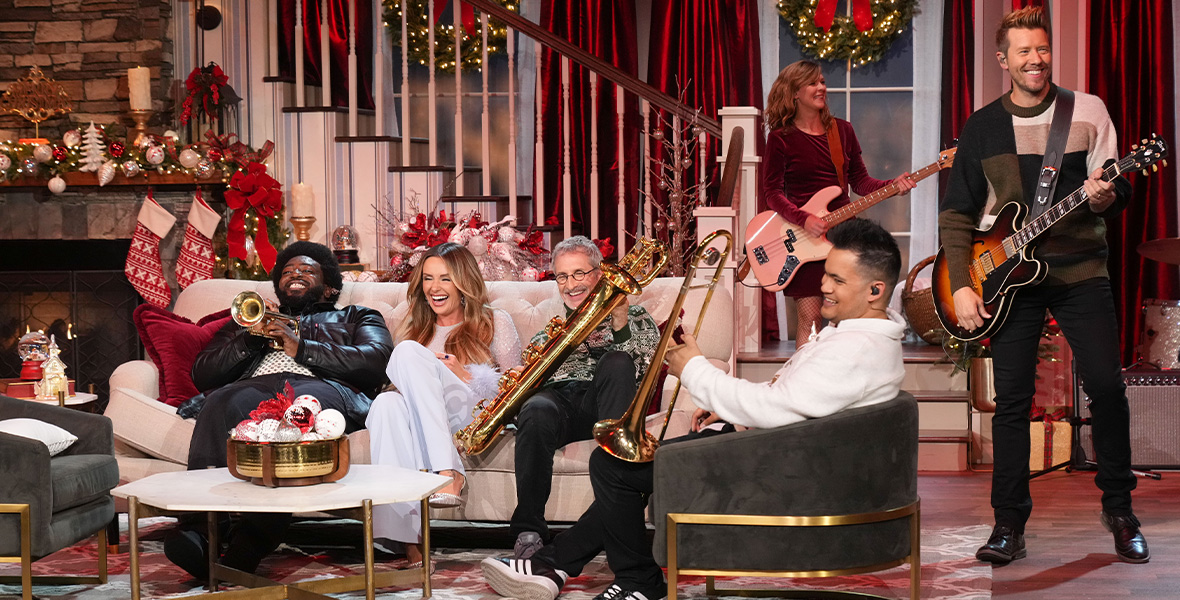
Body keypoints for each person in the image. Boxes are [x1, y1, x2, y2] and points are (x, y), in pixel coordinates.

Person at [480, 218, 907, 600]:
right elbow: (795, 399)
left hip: (774, 461)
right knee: (621, 468)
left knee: (613, 470)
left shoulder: (855, 347)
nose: (823, 287)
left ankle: (621, 577)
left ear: (875, 290)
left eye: (836, 280)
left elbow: (780, 408)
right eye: (827, 275)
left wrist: (696, 370)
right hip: (770, 445)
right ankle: (558, 566)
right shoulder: (855, 337)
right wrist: (732, 413)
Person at [939, 6, 1146, 566]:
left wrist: (1109, 194)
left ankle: (1121, 510)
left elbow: (1114, 188)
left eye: (1043, 48)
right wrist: (962, 284)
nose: (1036, 59)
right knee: (1012, 405)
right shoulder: (981, 125)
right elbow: (958, 213)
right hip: (1009, 280)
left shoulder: (1087, 111)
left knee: (1105, 387)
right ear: (1003, 59)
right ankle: (1008, 524)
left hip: (1081, 271)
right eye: (1023, 51)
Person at [165, 241, 394, 580]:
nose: (294, 274)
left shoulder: (355, 316)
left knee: (291, 415)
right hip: (252, 386)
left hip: (319, 386)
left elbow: (376, 360)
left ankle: (250, 545)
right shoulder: (250, 319)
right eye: (287, 272)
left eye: (306, 270)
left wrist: (302, 347)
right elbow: (202, 373)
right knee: (220, 402)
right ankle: (199, 534)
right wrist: (249, 339)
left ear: (329, 286)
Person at [366, 242, 522, 566]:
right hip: (426, 421)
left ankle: (449, 471)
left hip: (471, 414)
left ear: (464, 282)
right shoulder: (413, 327)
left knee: (408, 352)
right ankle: (411, 543)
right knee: (385, 406)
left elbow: (514, 393)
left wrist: (463, 374)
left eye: (445, 278)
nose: (434, 288)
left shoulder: (495, 322)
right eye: (427, 278)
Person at [509, 236, 661, 560]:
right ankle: (529, 531)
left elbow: (647, 368)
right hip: (560, 404)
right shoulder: (546, 334)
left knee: (618, 361)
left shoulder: (637, 318)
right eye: (562, 276)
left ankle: (614, 514)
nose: (570, 284)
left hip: (606, 403)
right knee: (535, 408)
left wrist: (620, 327)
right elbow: (527, 393)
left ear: (598, 274)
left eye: (579, 273)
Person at [761, 59, 914, 347]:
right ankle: (805, 386)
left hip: (843, 237)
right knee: (811, 320)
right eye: (813, 83)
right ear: (794, 92)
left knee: (850, 319)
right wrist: (802, 218)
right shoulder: (781, 139)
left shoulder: (841, 131)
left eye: (822, 81)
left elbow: (861, 182)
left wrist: (893, 186)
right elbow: (772, 192)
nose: (821, 87)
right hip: (804, 238)